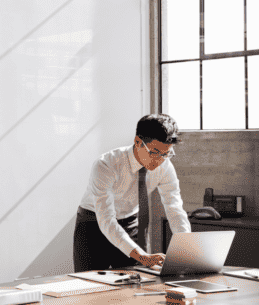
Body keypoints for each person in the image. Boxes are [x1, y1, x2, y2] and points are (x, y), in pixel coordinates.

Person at [73, 114, 191, 272]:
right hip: (94, 223)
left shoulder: (165, 166)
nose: (159, 160)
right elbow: (106, 220)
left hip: (130, 222)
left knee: (135, 283)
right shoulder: (106, 165)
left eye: (166, 153)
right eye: (154, 152)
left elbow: (174, 207)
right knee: (89, 285)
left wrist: (187, 247)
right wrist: (141, 256)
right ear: (137, 142)